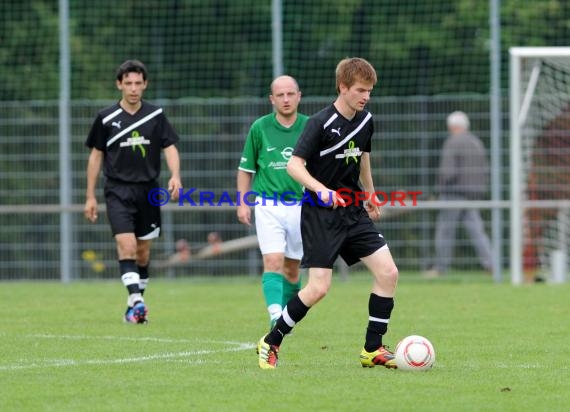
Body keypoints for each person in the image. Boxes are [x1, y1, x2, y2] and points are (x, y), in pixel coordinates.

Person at [256, 57, 399, 369]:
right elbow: (295, 165)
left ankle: (372, 348)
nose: (366, 96)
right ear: (343, 87)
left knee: (388, 274)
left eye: (370, 91)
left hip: (353, 210)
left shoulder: (366, 120)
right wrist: (320, 188)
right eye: (361, 90)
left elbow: (362, 157)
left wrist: (370, 193)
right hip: (320, 215)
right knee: (319, 288)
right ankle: (272, 340)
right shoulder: (319, 123)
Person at [84, 60, 182, 323]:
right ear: (119, 85)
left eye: (138, 83)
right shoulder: (105, 118)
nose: (133, 88)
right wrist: (90, 196)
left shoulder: (155, 115)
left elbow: (170, 146)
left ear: (145, 84)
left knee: (142, 252)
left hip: (148, 191)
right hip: (117, 190)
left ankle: (133, 307)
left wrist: (175, 175)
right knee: (125, 245)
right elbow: (95, 156)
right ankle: (137, 300)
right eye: (128, 83)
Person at [237, 75, 308, 329]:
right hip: (268, 205)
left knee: (292, 270)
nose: (286, 99)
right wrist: (243, 202)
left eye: (291, 94)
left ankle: (286, 321)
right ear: (272, 99)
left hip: (302, 206)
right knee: (273, 262)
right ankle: (275, 317)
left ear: (299, 96)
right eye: (280, 95)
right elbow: (246, 169)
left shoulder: (311, 127)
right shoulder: (260, 128)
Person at [425, 111, 493, 278]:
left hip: (453, 194)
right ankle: (491, 265)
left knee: (445, 232)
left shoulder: (453, 142)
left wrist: (439, 189)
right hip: (473, 195)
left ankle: (440, 268)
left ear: (452, 126)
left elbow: (448, 171)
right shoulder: (476, 142)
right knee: (477, 232)